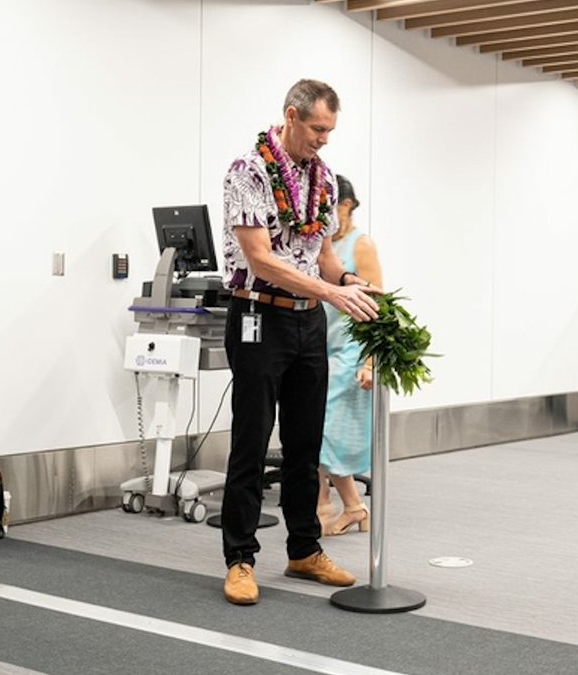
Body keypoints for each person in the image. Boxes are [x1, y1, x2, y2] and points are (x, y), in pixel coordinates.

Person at [220, 79, 382, 606]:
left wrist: (346, 282)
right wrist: (329, 294)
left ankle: (303, 550)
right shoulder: (248, 172)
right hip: (258, 317)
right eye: (318, 129)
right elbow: (262, 259)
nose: (325, 140)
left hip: (308, 322)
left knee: (305, 444)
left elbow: (323, 256)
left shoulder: (325, 179)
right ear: (291, 116)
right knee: (251, 439)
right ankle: (240, 559)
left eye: (331, 131)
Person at [316, 174, 382, 536]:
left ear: (348, 205)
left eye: (334, 210)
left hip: (351, 352)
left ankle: (339, 506)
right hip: (321, 347)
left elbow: (377, 304)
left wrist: (371, 361)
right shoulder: (322, 247)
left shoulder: (361, 245)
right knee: (317, 431)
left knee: (326, 434)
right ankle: (348, 506)